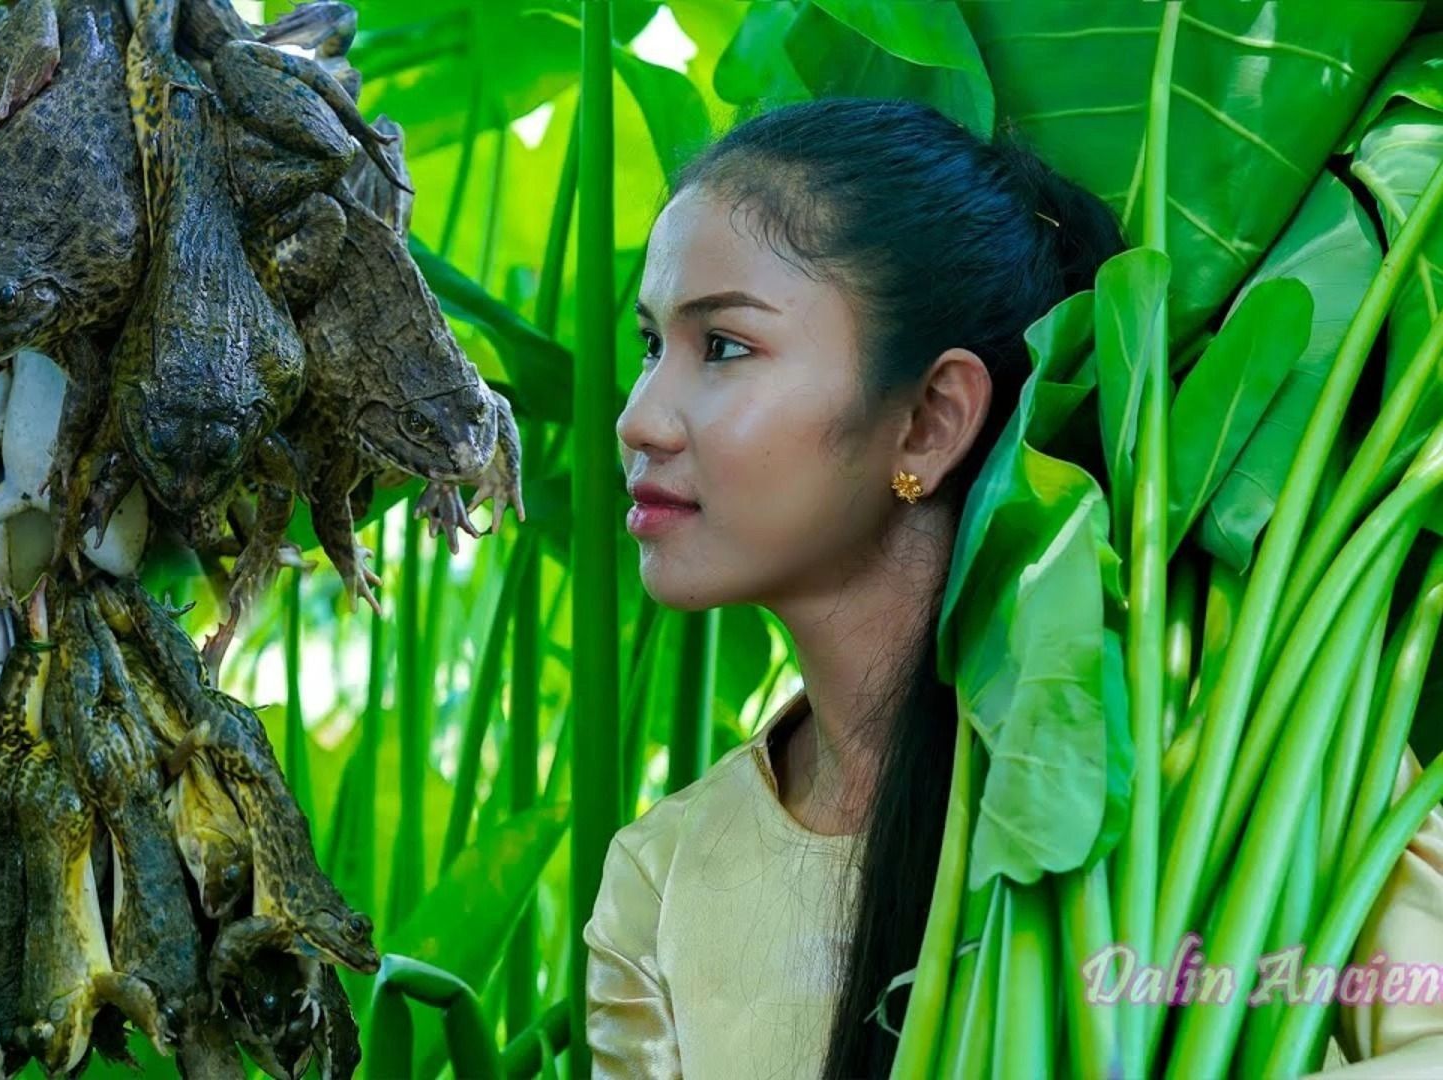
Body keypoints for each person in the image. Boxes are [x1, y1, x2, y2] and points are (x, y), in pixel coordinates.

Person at [585, 97, 1443, 1079]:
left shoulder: (1242, 753)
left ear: (929, 421)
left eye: (724, 347)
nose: (638, 417)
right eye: (654, 345)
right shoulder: (661, 879)